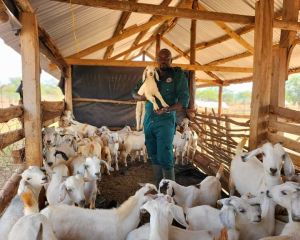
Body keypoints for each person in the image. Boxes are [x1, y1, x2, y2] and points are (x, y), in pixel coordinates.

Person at [132, 48, 190, 187]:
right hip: (149, 119)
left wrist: (167, 109)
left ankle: (170, 188)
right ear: (157, 60)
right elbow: (134, 92)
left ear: (171, 60)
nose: (163, 61)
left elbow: (183, 101)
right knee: (152, 151)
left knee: (165, 152)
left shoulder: (178, 75)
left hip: (165, 119)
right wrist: (142, 96)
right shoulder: (150, 73)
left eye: (166, 58)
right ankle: (159, 186)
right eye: (160, 58)